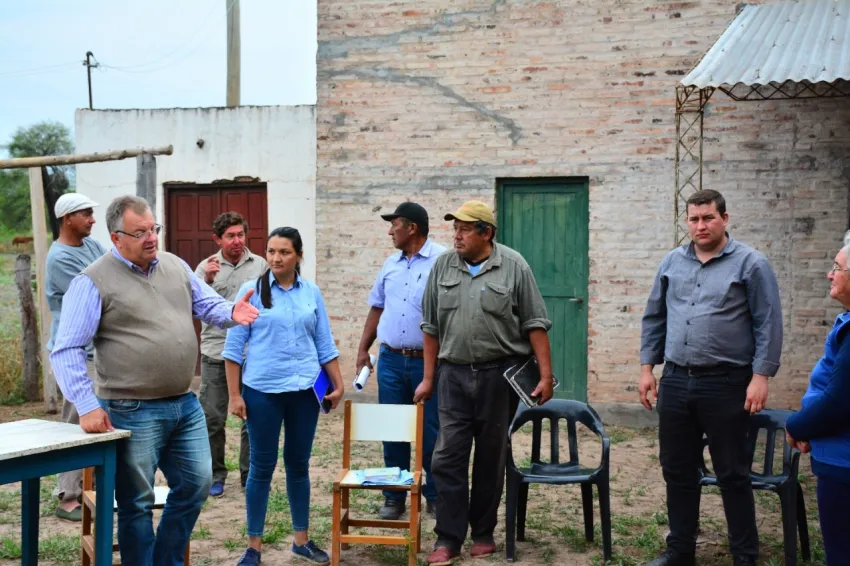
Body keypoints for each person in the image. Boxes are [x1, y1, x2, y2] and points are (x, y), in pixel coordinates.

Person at [50, 195, 259, 566]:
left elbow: (206, 304)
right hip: (130, 409)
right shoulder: (92, 281)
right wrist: (86, 406)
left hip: (183, 403)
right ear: (116, 238)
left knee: (196, 485)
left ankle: (164, 560)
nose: (151, 238)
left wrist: (232, 311)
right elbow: (66, 349)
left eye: (153, 229)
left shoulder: (174, 265)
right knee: (137, 502)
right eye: (140, 232)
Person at [639, 189, 783, 566]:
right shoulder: (672, 262)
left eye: (708, 218)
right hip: (675, 380)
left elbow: (767, 322)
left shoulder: (751, 264)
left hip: (727, 383)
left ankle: (744, 556)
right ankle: (680, 551)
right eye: (694, 219)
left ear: (725, 219)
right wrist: (647, 369)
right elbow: (654, 317)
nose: (700, 226)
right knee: (677, 469)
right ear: (687, 221)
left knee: (732, 472)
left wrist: (761, 376)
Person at [414, 200, 555, 566]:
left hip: (499, 376)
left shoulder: (514, 266)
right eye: (455, 229)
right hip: (453, 375)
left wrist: (545, 376)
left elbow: (535, 323)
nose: (456, 236)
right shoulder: (443, 266)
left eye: (464, 229)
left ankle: (483, 532)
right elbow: (430, 327)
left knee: (491, 457)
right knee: (447, 456)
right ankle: (448, 537)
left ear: (486, 233)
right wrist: (428, 378)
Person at [223, 227, 344, 566]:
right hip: (262, 392)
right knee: (261, 467)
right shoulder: (251, 291)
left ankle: (301, 541)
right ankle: (254, 546)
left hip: (305, 392)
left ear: (299, 255)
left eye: (284, 252)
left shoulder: (311, 292)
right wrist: (235, 396)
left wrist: (338, 383)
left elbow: (324, 342)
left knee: (298, 465)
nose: (276, 258)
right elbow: (233, 349)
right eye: (271, 251)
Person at [356, 202, 446, 520]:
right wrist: (363, 349)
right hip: (392, 360)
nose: (390, 231)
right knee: (392, 428)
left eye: (394, 224)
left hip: (428, 362)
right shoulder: (390, 264)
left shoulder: (443, 261)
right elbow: (377, 307)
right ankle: (394, 496)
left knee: (432, 431)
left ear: (412, 228)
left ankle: (435, 495)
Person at [785, 231, 850, 565]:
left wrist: (796, 425)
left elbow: (839, 402)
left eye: (837, 267)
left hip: (844, 464)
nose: (829, 274)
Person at [195, 212, 267, 497]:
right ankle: (216, 474)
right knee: (212, 418)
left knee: (252, 418)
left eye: (240, 235)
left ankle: (250, 475)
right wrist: (208, 280)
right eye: (230, 236)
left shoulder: (260, 265)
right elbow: (193, 303)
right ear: (218, 239)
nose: (237, 241)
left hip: (251, 354)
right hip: (216, 352)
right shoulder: (205, 268)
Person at [45, 192, 107, 522]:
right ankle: (68, 496)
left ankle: (91, 487)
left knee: (97, 419)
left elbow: (113, 271)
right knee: (75, 420)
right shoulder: (59, 258)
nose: (92, 219)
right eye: (86, 214)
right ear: (67, 218)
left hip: (95, 349)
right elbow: (98, 290)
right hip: (73, 353)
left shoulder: (92, 246)